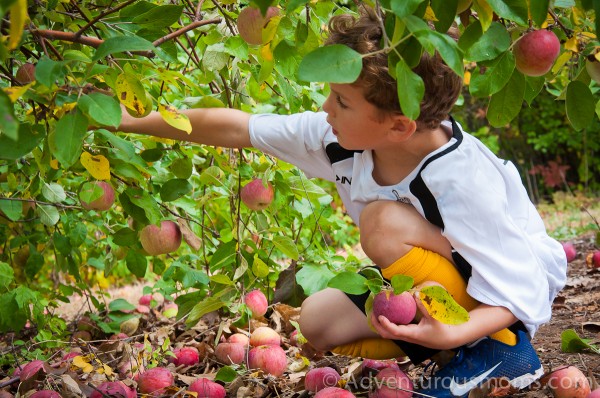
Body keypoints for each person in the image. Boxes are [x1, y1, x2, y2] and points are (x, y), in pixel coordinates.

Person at [117, 6, 567, 398]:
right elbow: (237, 127)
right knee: (317, 320)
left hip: (505, 295)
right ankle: (451, 350)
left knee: (382, 222)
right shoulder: (338, 136)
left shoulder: (462, 180)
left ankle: (501, 350)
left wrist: (462, 327)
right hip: (447, 283)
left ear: (398, 127)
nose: (326, 108)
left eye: (342, 101)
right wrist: (128, 121)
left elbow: (521, 285)